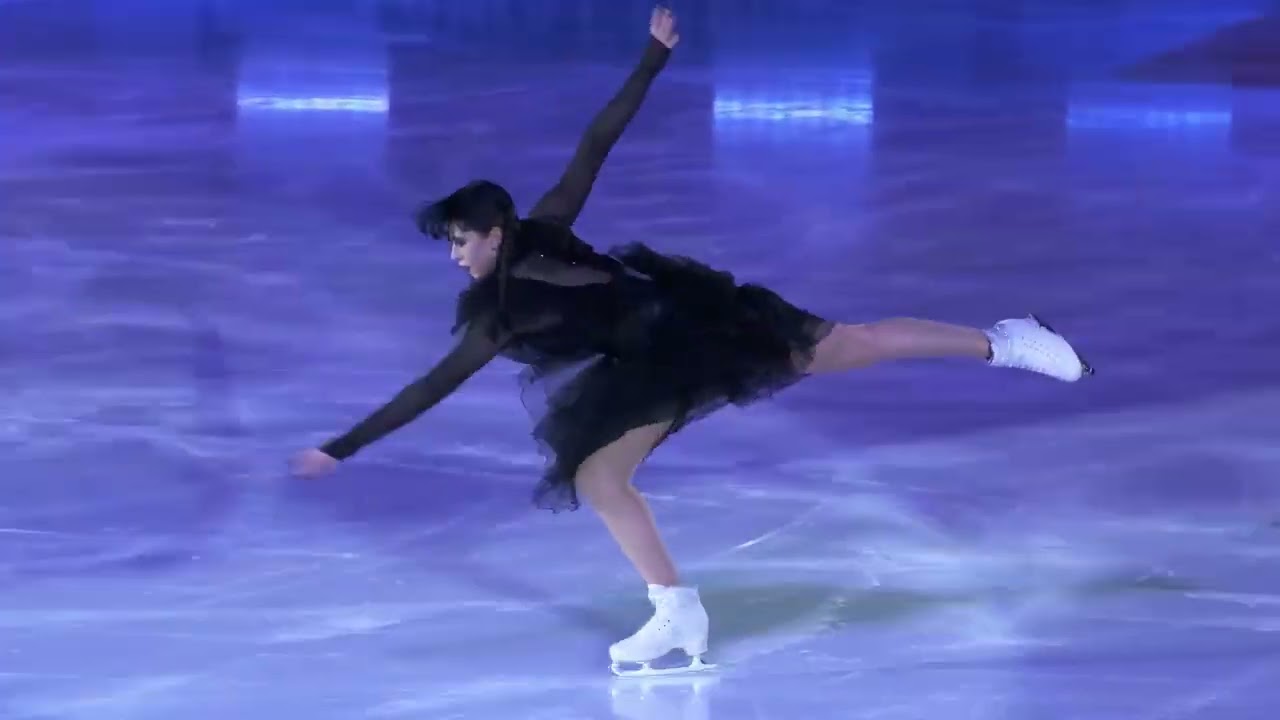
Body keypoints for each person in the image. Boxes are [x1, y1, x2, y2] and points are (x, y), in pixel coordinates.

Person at [291, 6, 1093, 677]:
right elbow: (430, 388)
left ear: (496, 233)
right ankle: (675, 610)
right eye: (451, 245)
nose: (455, 256)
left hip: (699, 322)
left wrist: (653, 57)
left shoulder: (548, 229)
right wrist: (342, 447)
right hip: (645, 367)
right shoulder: (493, 317)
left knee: (852, 345)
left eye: (461, 240)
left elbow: (596, 141)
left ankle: (1005, 341)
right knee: (600, 477)